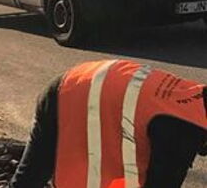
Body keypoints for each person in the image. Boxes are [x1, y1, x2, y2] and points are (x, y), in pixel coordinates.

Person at [10, 59, 207, 188]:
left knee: (29, 178)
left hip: (81, 80)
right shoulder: (182, 129)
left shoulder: (192, 99)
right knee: (31, 178)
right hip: (68, 94)